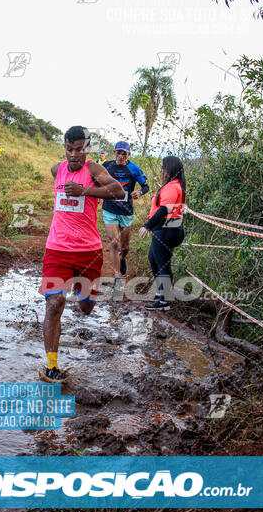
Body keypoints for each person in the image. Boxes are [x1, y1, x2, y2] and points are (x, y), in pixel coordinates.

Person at [41, 126, 125, 381]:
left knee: (87, 307)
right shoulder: (57, 170)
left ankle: (83, 294)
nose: (73, 155)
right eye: (69, 150)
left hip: (88, 252)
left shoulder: (94, 171)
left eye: (79, 150)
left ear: (87, 148)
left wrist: (85, 191)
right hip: (57, 249)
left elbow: (119, 192)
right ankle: (52, 366)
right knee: (55, 303)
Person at [139, 156, 186, 310]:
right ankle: (162, 293)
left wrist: (148, 225)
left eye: (163, 167)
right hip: (167, 227)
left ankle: (164, 300)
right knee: (154, 259)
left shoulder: (173, 187)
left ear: (169, 169)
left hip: (167, 228)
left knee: (163, 263)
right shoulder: (172, 185)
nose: (161, 170)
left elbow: (164, 209)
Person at [102, 141, 149, 289]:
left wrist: (140, 192)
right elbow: (94, 179)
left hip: (126, 211)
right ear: (114, 152)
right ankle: (117, 277)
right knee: (114, 242)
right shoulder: (107, 166)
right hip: (109, 209)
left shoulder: (134, 168)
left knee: (125, 246)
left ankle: (122, 258)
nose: (121, 156)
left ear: (128, 154)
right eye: (119, 152)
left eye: (124, 153)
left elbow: (145, 186)